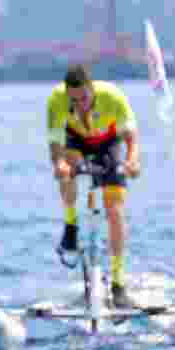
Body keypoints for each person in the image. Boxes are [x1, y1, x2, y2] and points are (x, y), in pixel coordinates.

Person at [46, 65, 142, 309]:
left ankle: (119, 284)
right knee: (66, 170)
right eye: (74, 100)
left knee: (114, 208)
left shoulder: (113, 97)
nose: (79, 105)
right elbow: (56, 143)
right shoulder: (57, 101)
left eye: (84, 98)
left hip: (106, 142)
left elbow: (131, 137)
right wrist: (60, 165)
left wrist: (131, 161)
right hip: (75, 141)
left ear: (93, 90)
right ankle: (71, 225)